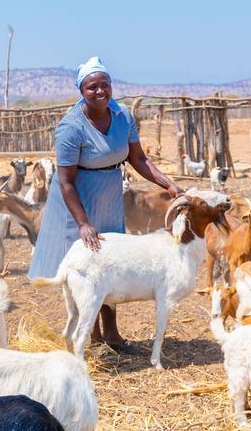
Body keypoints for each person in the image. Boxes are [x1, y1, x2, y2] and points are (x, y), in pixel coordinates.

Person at [28, 56, 183, 351]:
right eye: (91, 87)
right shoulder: (71, 127)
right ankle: (94, 336)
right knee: (89, 265)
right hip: (78, 199)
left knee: (112, 260)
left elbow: (138, 159)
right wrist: (84, 223)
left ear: (111, 86)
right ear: (81, 90)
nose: (99, 92)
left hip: (110, 194)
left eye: (104, 85)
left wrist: (169, 185)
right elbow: (65, 182)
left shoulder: (123, 116)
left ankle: (112, 334)